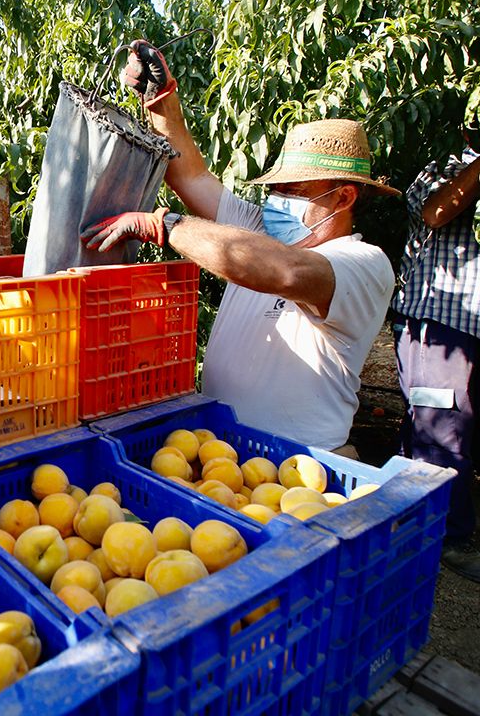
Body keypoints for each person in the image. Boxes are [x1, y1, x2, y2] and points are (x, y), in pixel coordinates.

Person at [80, 40, 397, 454]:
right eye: (277, 189)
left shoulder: (363, 263)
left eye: (295, 191)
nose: (279, 200)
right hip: (223, 454)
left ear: (344, 198)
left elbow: (287, 273)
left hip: (299, 466)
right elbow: (190, 175)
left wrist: (164, 225)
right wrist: (160, 102)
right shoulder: (258, 226)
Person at [391, 137, 480, 586]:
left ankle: (405, 513)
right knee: (441, 425)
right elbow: (434, 211)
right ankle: (446, 534)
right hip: (440, 319)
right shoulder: (447, 163)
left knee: (437, 422)